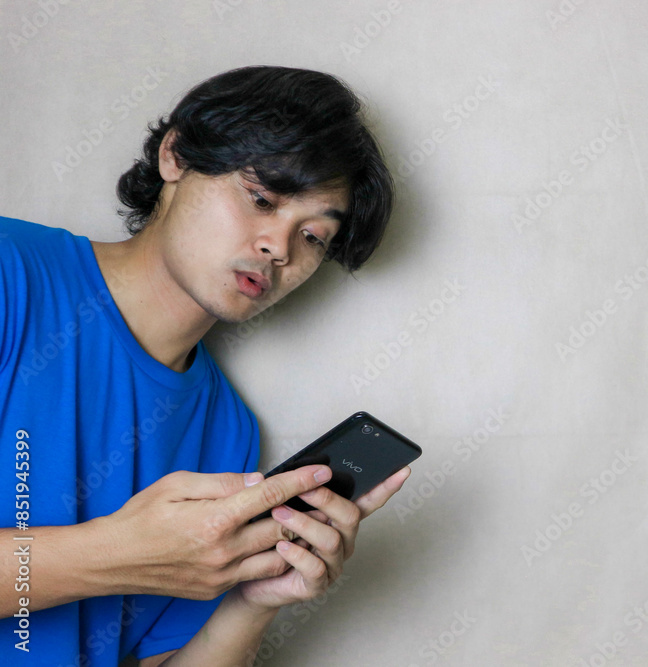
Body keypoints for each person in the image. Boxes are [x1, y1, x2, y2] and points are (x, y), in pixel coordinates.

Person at [0, 65, 411, 665]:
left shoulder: (229, 433)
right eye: (261, 199)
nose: (278, 247)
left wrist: (257, 600)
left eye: (313, 237)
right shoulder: (11, 272)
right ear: (175, 155)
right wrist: (112, 555)